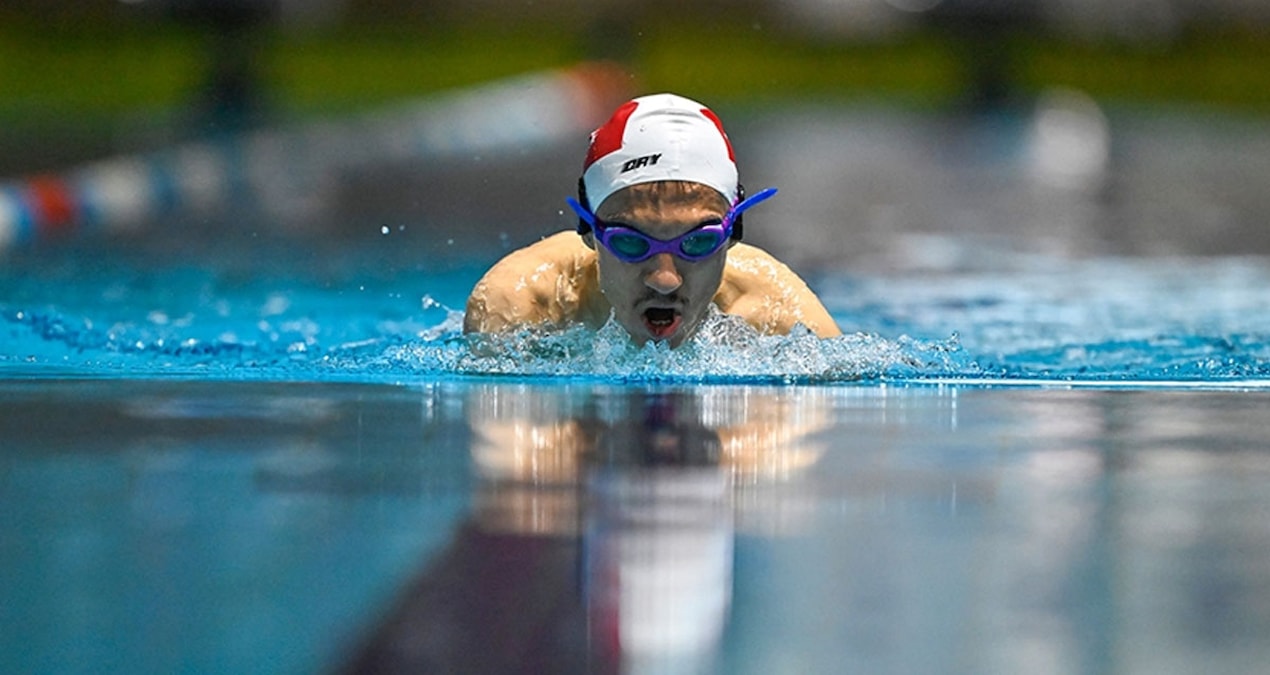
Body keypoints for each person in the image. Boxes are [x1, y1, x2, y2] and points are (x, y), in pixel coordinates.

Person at [463, 93, 841, 347]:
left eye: (698, 241)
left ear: (733, 232)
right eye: (631, 241)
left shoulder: (780, 317)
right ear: (589, 231)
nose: (665, 280)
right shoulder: (521, 306)